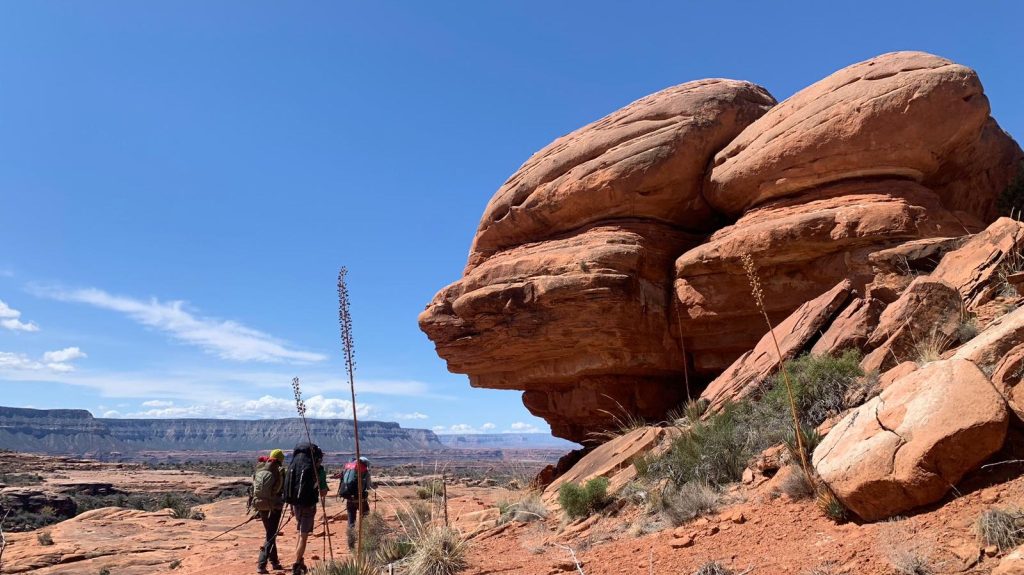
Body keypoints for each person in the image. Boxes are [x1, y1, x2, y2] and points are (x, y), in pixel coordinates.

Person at [282, 442, 328, 575]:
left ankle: (300, 560)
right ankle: (296, 565)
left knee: (300, 533)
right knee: (303, 536)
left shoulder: (294, 466)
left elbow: (292, 488)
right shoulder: (317, 470)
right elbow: (323, 492)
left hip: (296, 505)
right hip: (308, 505)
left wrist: (291, 505)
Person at [252, 449, 286, 574]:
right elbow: (283, 488)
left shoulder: (260, 469)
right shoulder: (279, 471)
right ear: (280, 460)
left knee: (270, 533)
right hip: (274, 506)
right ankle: (261, 564)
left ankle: (274, 562)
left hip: (260, 505)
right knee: (270, 535)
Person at [338, 456, 373, 549]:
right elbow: (369, 487)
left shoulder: (348, 469)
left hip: (349, 499)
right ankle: (365, 540)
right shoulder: (365, 471)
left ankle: (351, 544)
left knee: (351, 521)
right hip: (360, 499)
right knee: (365, 517)